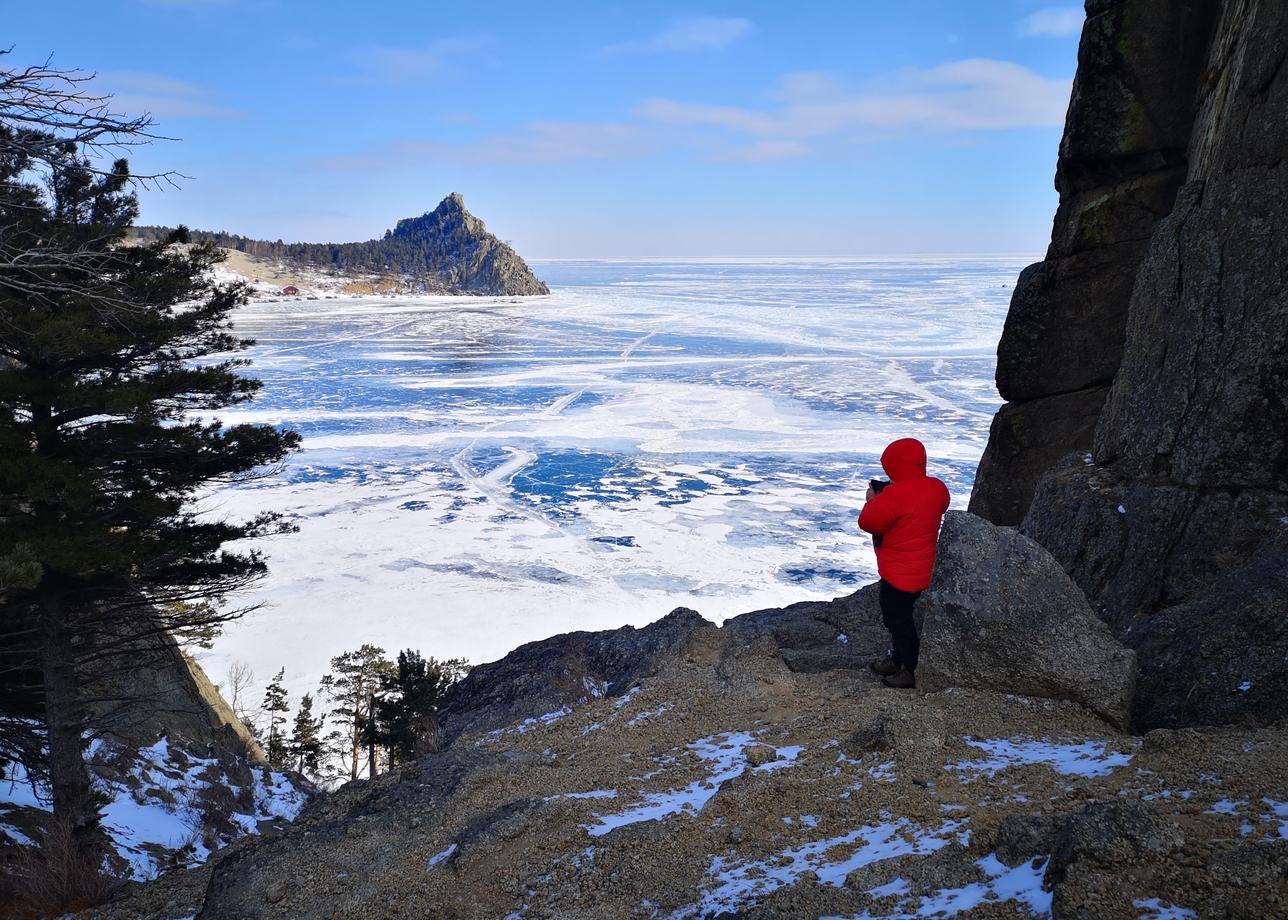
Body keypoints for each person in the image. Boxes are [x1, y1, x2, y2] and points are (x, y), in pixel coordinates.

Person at [858, 437, 950, 689]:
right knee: (903, 616)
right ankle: (897, 660)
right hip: (925, 569)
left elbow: (868, 523)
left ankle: (909, 669)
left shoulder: (893, 496)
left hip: (899, 574)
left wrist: (872, 500)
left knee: (897, 619)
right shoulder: (937, 488)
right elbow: (940, 504)